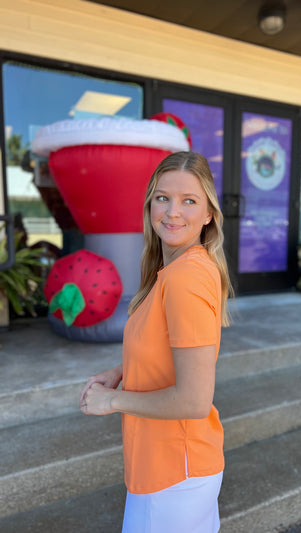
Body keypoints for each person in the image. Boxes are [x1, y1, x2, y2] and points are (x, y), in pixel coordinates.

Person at [80, 151, 233, 533]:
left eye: (189, 201)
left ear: (209, 214)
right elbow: (168, 348)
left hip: (174, 474)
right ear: (150, 203)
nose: (172, 212)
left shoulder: (186, 278)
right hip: (165, 465)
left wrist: (112, 401)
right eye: (163, 197)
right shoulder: (176, 270)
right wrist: (122, 371)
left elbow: (194, 400)